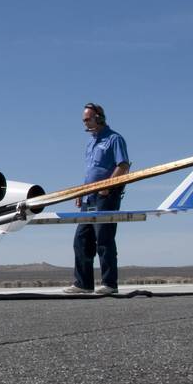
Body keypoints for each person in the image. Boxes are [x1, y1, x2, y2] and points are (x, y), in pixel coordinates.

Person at [63, 103, 130, 295]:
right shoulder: (91, 143)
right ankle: (83, 284)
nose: (85, 123)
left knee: (104, 238)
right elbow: (91, 172)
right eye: (83, 120)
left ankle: (110, 284)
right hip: (88, 197)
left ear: (99, 118)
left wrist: (107, 187)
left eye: (88, 119)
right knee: (82, 239)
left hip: (106, 197)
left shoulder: (114, 139)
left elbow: (123, 165)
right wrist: (82, 193)